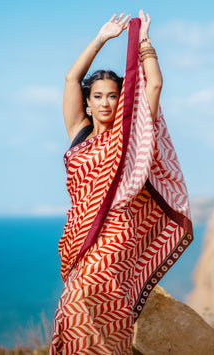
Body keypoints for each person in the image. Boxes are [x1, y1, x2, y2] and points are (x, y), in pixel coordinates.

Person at [50, 11, 193, 354]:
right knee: (74, 318)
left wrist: (144, 42)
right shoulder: (78, 132)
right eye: (98, 96)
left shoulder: (130, 135)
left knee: (76, 300)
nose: (105, 103)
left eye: (113, 96)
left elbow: (154, 85)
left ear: (121, 100)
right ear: (88, 100)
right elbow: (72, 79)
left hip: (116, 232)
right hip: (79, 232)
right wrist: (101, 38)